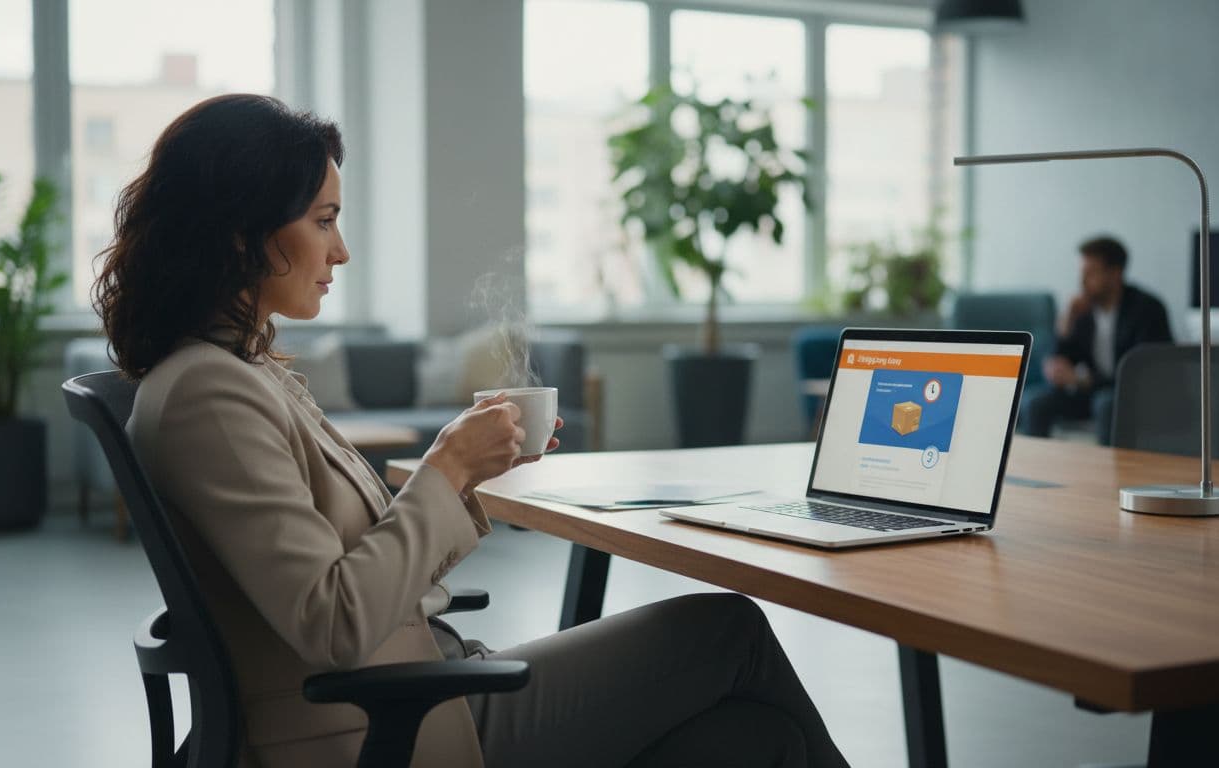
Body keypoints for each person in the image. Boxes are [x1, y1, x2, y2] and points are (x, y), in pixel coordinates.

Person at [93, 93, 847, 768]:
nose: (341, 250)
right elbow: (333, 623)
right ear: (239, 234)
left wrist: (467, 473)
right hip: (382, 730)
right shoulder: (208, 394)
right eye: (323, 220)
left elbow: (341, 568)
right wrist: (445, 472)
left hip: (414, 689)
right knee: (727, 629)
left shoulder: (236, 372)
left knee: (756, 741)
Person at [1020, 236, 1172, 445]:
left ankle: (1110, 473)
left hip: (1130, 395)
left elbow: (1145, 374)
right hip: (1088, 391)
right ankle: (1035, 469)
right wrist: (1065, 325)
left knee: (1106, 404)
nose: (1082, 282)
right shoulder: (1083, 311)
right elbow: (1062, 357)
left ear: (1115, 274)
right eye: (1081, 273)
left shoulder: (1147, 309)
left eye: (1090, 273)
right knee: (1034, 402)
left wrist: (1084, 380)